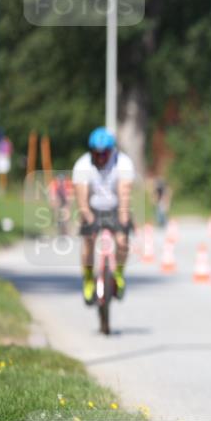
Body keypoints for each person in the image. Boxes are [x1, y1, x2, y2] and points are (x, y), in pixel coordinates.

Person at [73, 127, 135, 304]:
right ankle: (88, 278)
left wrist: (123, 218)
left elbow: (124, 193)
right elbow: (81, 199)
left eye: (104, 154)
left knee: (123, 241)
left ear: (111, 151)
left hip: (116, 207)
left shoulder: (123, 163)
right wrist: (89, 218)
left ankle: (119, 274)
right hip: (92, 207)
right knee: (88, 241)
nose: (100, 158)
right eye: (97, 154)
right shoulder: (82, 165)